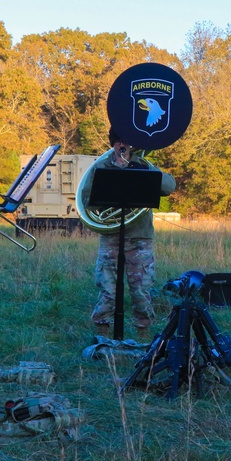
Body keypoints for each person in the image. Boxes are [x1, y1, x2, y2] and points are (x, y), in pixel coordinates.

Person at [79, 128, 176, 339]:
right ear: (113, 144)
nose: (122, 146)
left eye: (126, 142)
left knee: (141, 290)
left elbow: (169, 186)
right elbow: (85, 200)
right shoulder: (100, 167)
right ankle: (102, 335)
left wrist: (141, 171)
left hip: (139, 238)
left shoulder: (143, 165)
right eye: (118, 142)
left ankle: (143, 335)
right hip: (111, 236)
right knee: (107, 289)